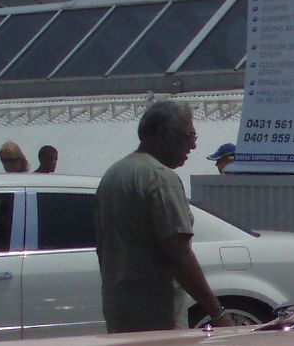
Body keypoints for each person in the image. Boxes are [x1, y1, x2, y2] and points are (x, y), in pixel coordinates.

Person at [94, 100, 235, 333]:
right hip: (156, 316)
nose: (193, 145)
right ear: (163, 135)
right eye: (189, 135)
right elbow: (179, 253)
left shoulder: (114, 174)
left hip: (119, 309)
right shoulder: (160, 178)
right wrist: (218, 314)